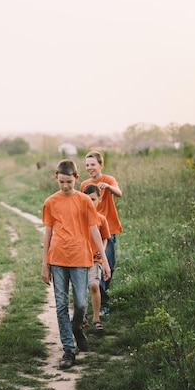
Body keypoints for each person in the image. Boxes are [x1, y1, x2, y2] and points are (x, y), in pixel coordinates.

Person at [41, 159, 111, 370]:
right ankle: (68, 350)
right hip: (57, 259)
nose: (65, 186)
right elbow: (48, 233)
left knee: (80, 304)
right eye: (61, 182)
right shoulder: (51, 202)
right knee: (61, 305)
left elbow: (94, 231)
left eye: (69, 182)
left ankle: (77, 327)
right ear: (56, 178)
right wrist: (45, 263)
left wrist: (105, 261)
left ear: (76, 179)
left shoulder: (84, 201)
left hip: (81, 258)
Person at [79, 151, 122, 316]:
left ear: (101, 165)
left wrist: (109, 187)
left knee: (108, 266)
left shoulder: (108, 180)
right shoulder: (84, 185)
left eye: (93, 164)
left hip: (109, 231)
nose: (90, 168)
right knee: (95, 265)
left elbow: (119, 193)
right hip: (91, 231)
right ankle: (103, 304)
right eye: (87, 165)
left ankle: (100, 294)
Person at [83, 183, 111, 334]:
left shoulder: (101, 219)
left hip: (95, 258)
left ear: (99, 200)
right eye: (86, 199)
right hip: (79, 259)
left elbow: (105, 238)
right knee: (79, 289)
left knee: (94, 286)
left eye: (93, 199)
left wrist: (103, 251)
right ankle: (82, 318)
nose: (89, 202)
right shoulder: (79, 218)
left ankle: (96, 319)